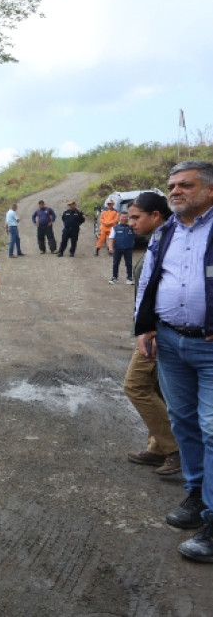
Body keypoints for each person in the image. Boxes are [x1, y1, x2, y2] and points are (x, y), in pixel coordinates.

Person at [134, 160, 213, 564]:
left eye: (185, 184)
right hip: (170, 341)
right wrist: (145, 327)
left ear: (210, 190)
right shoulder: (165, 232)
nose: (175, 191)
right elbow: (149, 282)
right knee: (183, 421)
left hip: (208, 345)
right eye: (171, 185)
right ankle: (198, 495)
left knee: (212, 427)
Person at [123, 192, 179, 476]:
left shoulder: (174, 243)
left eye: (136, 217)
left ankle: (174, 448)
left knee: (135, 386)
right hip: (151, 329)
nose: (130, 222)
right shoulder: (158, 241)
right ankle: (158, 448)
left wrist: (151, 330)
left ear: (155, 215)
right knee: (157, 389)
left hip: (157, 332)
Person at [107, 212, 136, 284]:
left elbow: (140, 230)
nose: (124, 218)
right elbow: (111, 238)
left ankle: (129, 278)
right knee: (116, 263)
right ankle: (114, 278)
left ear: (128, 218)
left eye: (126, 217)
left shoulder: (132, 227)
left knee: (129, 263)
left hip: (128, 248)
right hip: (117, 248)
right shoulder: (115, 227)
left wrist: (132, 224)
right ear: (120, 217)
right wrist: (110, 247)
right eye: (123, 217)